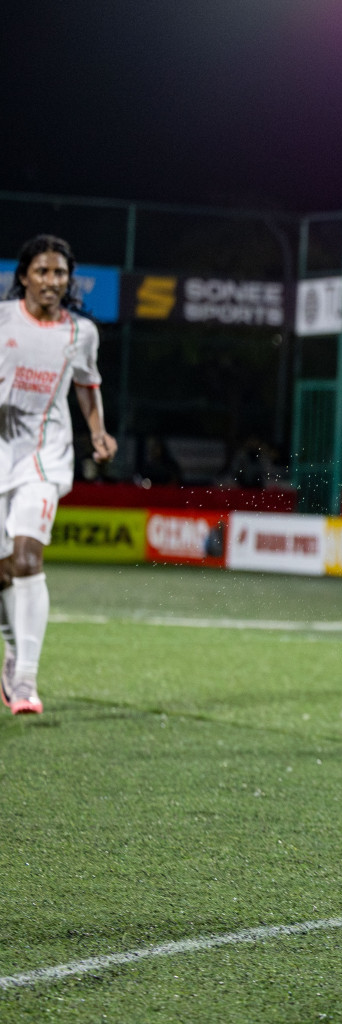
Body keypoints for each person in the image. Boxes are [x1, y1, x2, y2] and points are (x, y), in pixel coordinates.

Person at [0, 235, 117, 715]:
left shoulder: (80, 332)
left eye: (60, 273)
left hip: (45, 455)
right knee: (4, 570)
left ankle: (25, 678)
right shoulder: (3, 320)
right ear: (24, 276)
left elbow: (87, 383)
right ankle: (13, 653)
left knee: (28, 558)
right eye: (42, 271)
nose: (52, 281)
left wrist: (98, 432)